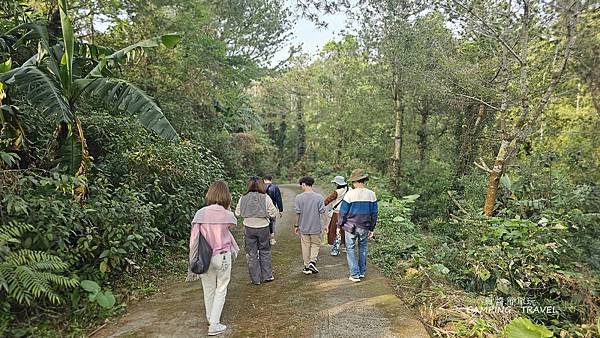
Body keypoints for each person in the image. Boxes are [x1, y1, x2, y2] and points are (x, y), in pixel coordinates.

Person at [187, 180, 239, 336]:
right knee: (221, 289)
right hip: (222, 257)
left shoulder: (200, 214)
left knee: (208, 289)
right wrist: (226, 208)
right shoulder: (228, 215)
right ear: (226, 196)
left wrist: (192, 259)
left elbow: (194, 239)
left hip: (204, 256)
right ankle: (214, 324)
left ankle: (211, 319)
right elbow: (231, 225)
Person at [235, 176, 279, 285]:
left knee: (251, 253)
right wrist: (266, 215)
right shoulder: (265, 197)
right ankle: (267, 276)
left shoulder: (243, 197)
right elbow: (273, 213)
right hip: (263, 227)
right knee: (265, 251)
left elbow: (237, 213)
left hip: (248, 227)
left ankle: (255, 279)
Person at [338, 169, 378, 282]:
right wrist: (372, 228)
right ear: (363, 180)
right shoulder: (372, 194)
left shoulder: (349, 194)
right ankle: (361, 272)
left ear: (355, 181)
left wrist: (339, 225)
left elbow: (343, 212)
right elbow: (374, 214)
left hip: (350, 227)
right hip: (365, 226)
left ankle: (354, 274)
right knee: (363, 248)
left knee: (350, 249)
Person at [293, 176, 325, 275]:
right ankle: (312, 261)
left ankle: (307, 267)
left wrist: (296, 226)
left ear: (303, 184)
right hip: (316, 227)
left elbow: (297, 213)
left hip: (303, 227)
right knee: (315, 244)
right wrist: (326, 225)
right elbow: (323, 213)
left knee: (305, 246)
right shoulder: (319, 197)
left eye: (301, 185)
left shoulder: (299, 197)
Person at [324, 175, 351, 255]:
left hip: (337, 214)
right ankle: (346, 247)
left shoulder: (337, 192)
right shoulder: (350, 189)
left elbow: (328, 200)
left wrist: (320, 205)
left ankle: (336, 249)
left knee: (336, 231)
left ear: (337, 183)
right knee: (346, 230)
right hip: (348, 213)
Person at [263, 174, 283, 245]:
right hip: (272, 208)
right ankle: (272, 238)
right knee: (272, 222)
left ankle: (263, 238)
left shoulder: (261, 187)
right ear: (271, 179)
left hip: (262, 209)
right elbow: (278, 199)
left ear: (264, 180)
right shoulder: (275, 187)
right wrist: (280, 210)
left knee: (263, 222)